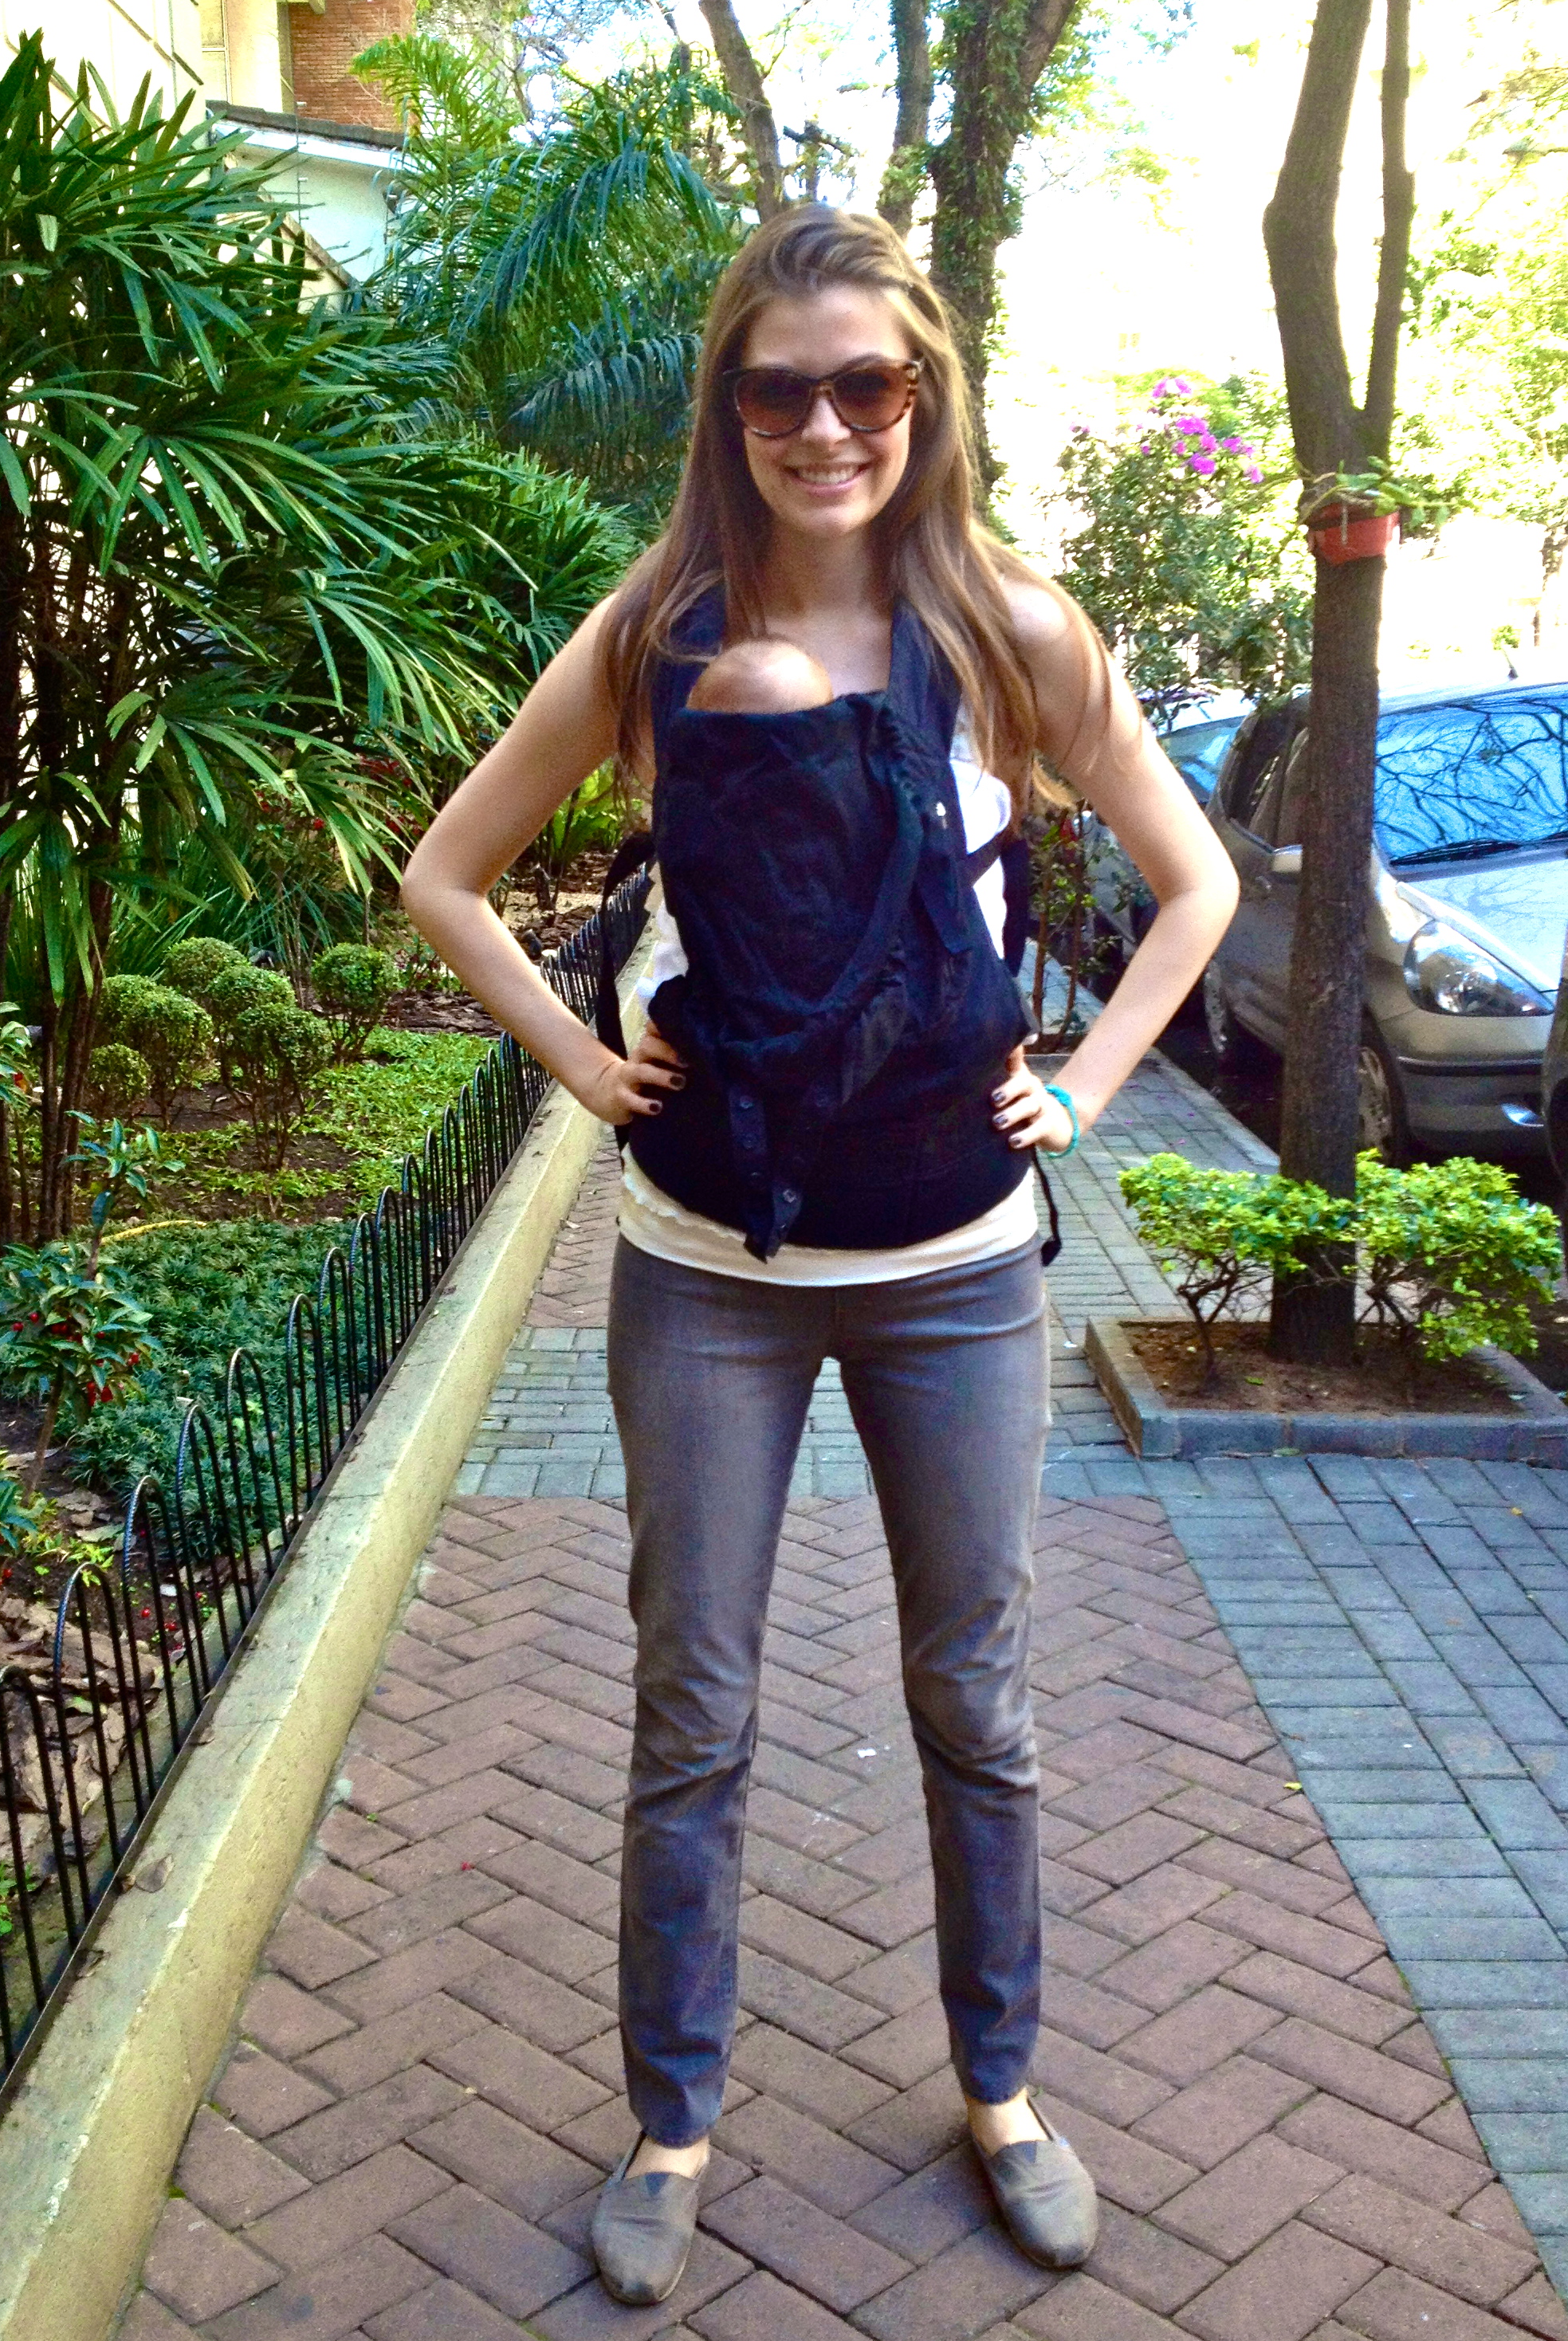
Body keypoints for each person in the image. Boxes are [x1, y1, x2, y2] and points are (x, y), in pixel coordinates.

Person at [401, 204, 1237, 2308]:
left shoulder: (1009, 629)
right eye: (780, 390)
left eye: (868, 383)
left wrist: (1088, 1083)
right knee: (690, 1714)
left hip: (958, 1265)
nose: (826, 426)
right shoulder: (654, 635)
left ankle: (1004, 2091)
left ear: (925, 395)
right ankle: (671, 2121)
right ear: (729, 409)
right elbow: (446, 875)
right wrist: (581, 1065)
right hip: (707, 1270)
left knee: (977, 1697)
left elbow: (1196, 880)